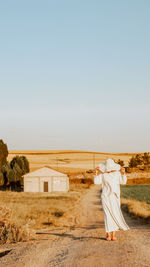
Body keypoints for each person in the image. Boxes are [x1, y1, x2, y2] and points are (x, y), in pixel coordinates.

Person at [94, 158, 129, 241]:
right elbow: (96, 182)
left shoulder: (117, 174)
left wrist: (123, 173)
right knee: (107, 215)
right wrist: (96, 173)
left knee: (115, 214)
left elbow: (123, 182)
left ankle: (113, 235)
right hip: (105, 197)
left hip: (115, 197)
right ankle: (108, 235)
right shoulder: (103, 175)